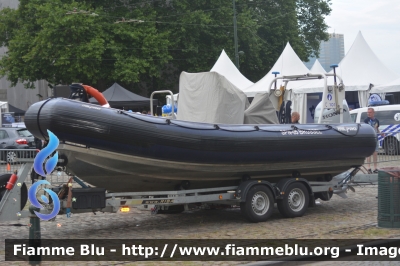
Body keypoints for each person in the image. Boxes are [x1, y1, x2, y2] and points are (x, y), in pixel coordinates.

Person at [364, 107, 384, 173]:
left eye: (370, 112)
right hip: (369, 139)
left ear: (373, 113)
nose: (368, 114)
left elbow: (377, 128)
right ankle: (368, 167)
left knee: (375, 153)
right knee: (369, 154)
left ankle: (375, 168)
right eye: (367, 112)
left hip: (375, 138)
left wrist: (380, 133)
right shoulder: (366, 120)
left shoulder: (377, 120)